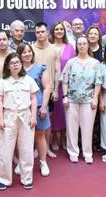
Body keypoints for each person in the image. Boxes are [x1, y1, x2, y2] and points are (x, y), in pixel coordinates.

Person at [0, 53, 38, 190]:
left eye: (17, 62)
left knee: (26, 149)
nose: (15, 65)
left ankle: (27, 178)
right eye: (12, 63)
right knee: (5, 149)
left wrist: (33, 117)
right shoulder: (3, 82)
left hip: (26, 116)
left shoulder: (29, 80)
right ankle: (4, 179)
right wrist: (0, 119)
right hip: (8, 117)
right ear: (7, 65)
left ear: (21, 64)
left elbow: (33, 99)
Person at [60, 36, 102, 164]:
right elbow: (65, 80)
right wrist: (65, 96)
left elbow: (98, 82)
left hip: (88, 100)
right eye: (80, 44)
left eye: (84, 43)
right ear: (76, 46)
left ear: (88, 46)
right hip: (72, 100)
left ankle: (87, 153)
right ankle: (73, 151)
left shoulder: (95, 63)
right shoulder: (71, 62)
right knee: (71, 127)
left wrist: (95, 98)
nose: (82, 46)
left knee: (87, 128)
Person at [17, 43, 51, 177]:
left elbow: (47, 88)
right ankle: (21, 162)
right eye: (24, 52)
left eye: (29, 51)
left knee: (40, 136)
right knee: (21, 138)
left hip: (38, 107)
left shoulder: (40, 68)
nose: (27, 54)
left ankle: (43, 162)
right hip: (21, 108)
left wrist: (43, 106)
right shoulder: (16, 69)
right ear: (19, 55)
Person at [32, 22, 61, 162]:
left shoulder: (55, 49)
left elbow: (57, 71)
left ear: (47, 32)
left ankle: (47, 147)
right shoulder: (30, 49)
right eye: (37, 32)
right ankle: (36, 148)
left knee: (46, 121)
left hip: (49, 90)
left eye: (42, 32)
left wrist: (55, 90)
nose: (40, 34)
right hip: (34, 91)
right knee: (33, 120)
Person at [49, 22, 76, 150]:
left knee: (66, 113)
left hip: (66, 87)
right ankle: (54, 138)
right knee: (54, 113)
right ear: (53, 31)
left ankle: (64, 138)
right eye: (56, 29)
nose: (59, 31)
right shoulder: (49, 47)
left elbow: (74, 67)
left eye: (61, 29)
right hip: (52, 86)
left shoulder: (70, 47)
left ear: (64, 32)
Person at [99, 51, 106, 162]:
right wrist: (101, 101)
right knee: (105, 124)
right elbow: (99, 85)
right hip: (105, 95)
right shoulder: (102, 66)